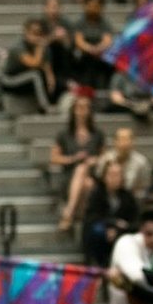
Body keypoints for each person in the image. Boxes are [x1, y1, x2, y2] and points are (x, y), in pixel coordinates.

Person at [51, 94, 105, 230]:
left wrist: (95, 160)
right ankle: (80, 216)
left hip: (92, 174)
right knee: (84, 177)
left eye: (86, 107)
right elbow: (54, 158)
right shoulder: (64, 134)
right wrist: (73, 158)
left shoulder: (97, 134)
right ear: (73, 110)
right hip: (70, 176)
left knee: (87, 179)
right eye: (79, 107)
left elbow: (105, 157)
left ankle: (69, 212)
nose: (82, 110)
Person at [81, 159, 139, 267]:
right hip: (100, 233)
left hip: (122, 233)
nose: (115, 179)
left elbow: (135, 220)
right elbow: (91, 217)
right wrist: (112, 224)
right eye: (111, 175)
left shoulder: (128, 196)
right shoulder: (96, 194)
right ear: (104, 177)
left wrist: (118, 230)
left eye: (118, 175)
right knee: (97, 230)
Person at [0, 19, 57, 113]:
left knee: (42, 76)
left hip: (26, 77)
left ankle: (47, 103)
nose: (37, 37)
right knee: (35, 75)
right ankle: (45, 107)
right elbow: (34, 63)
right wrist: (40, 47)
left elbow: (46, 65)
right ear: (26, 33)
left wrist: (50, 78)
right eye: (33, 33)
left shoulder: (41, 47)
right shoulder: (18, 47)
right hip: (10, 80)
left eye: (39, 33)